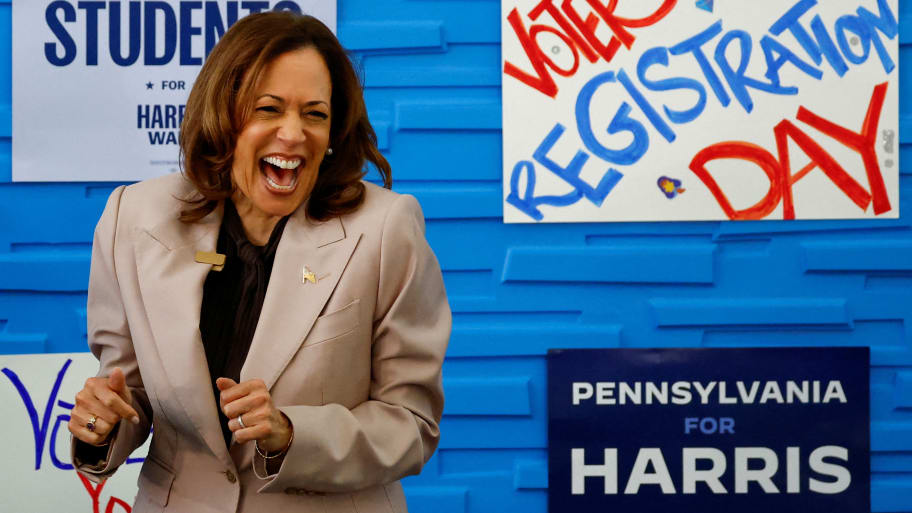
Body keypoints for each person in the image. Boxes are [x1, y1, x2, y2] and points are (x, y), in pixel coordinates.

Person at [68, 12, 451, 513]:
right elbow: (130, 393)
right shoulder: (133, 219)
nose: (293, 134)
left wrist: (291, 433)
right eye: (268, 109)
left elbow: (410, 422)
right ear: (224, 117)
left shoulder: (384, 229)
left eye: (314, 114)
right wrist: (104, 425)